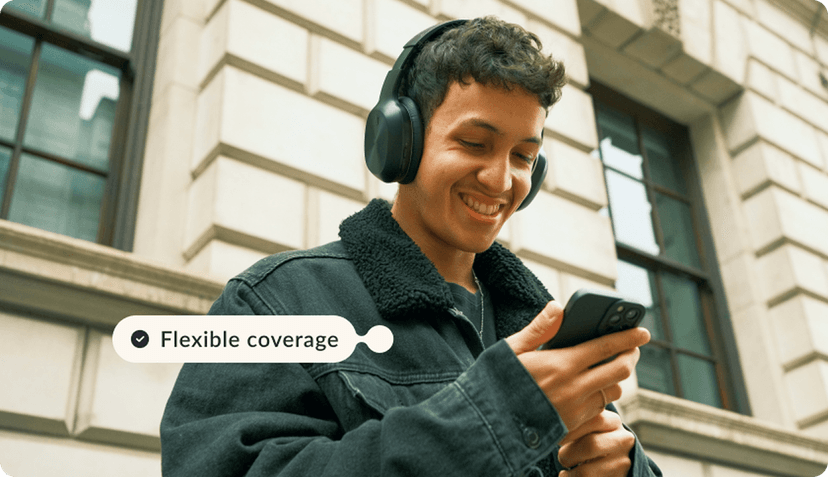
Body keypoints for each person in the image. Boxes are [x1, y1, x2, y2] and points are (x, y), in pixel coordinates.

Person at [160, 16, 660, 476]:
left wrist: (626, 467)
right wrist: (490, 418)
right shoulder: (272, 303)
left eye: (524, 157)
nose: (500, 180)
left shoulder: (541, 329)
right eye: (474, 143)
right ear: (402, 140)